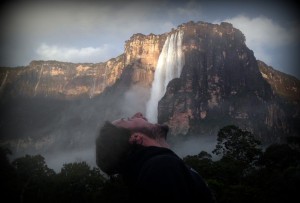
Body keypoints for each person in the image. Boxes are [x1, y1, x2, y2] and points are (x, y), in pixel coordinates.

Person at [96, 112, 215, 202]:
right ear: (136, 137)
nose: (139, 114)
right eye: (129, 119)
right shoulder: (161, 168)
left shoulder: (145, 174)